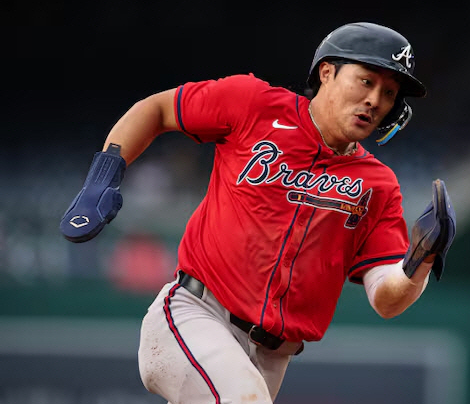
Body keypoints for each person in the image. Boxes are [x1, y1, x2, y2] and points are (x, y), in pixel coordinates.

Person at [61, 21, 437, 404]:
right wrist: (103, 176)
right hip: (195, 314)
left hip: (272, 357)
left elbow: (386, 299)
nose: (375, 100)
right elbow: (157, 109)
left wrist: (420, 260)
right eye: (366, 81)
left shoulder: (378, 184)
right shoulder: (254, 104)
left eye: (389, 92)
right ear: (327, 72)